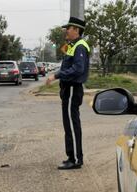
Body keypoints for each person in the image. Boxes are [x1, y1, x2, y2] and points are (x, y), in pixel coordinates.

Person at [46, 17, 91, 170]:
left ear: (76, 30)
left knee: (72, 123)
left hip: (73, 88)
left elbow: (78, 69)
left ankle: (76, 159)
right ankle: (71, 156)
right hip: (68, 89)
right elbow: (69, 65)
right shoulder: (72, 45)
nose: (66, 30)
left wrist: (56, 75)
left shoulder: (80, 46)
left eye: (69, 28)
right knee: (68, 123)